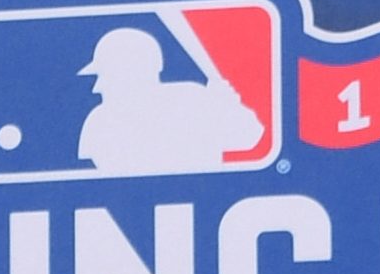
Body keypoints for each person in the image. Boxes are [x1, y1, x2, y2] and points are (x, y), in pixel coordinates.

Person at [74, 25, 262, 177]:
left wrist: (228, 107)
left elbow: (251, 136)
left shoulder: (193, 100)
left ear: (133, 73)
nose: (97, 87)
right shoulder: (101, 121)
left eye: (107, 76)